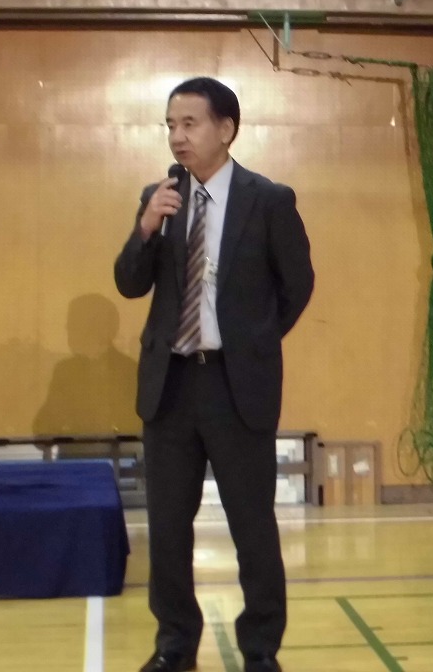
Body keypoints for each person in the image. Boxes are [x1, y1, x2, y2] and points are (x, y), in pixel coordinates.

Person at [114, 77, 314, 672]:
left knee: (253, 526)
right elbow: (130, 282)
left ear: (226, 129)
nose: (178, 136)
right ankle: (175, 645)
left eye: (190, 124)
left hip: (236, 386)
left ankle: (260, 650)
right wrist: (145, 228)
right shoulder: (161, 197)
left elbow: (297, 285)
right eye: (170, 125)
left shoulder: (268, 199)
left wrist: (253, 342)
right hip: (170, 387)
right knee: (169, 529)